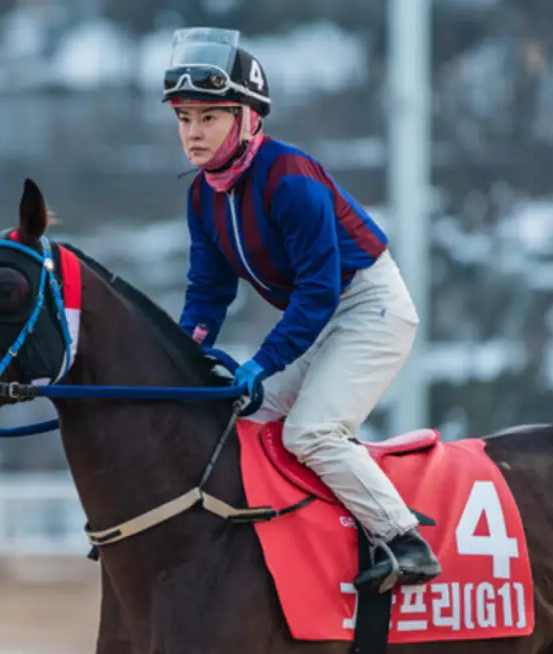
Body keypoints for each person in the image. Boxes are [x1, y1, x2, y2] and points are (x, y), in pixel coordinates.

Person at [166, 27, 441, 592]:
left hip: (370, 307)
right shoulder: (202, 194)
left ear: (246, 119)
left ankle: (404, 541)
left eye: (208, 118)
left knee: (312, 432)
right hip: (318, 318)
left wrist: (263, 362)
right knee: (245, 422)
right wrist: (182, 349)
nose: (192, 133)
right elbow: (208, 291)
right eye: (184, 118)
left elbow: (318, 293)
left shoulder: (290, 179)